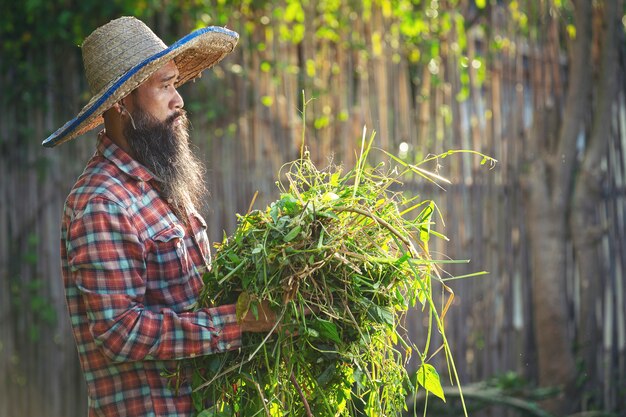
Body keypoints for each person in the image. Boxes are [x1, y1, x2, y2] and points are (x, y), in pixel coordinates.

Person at [43, 17, 276, 417]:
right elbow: (120, 331)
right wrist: (237, 322)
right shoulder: (103, 202)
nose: (178, 100)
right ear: (121, 101)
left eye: (176, 84)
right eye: (164, 86)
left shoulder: (159, 186)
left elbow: (191, 298)